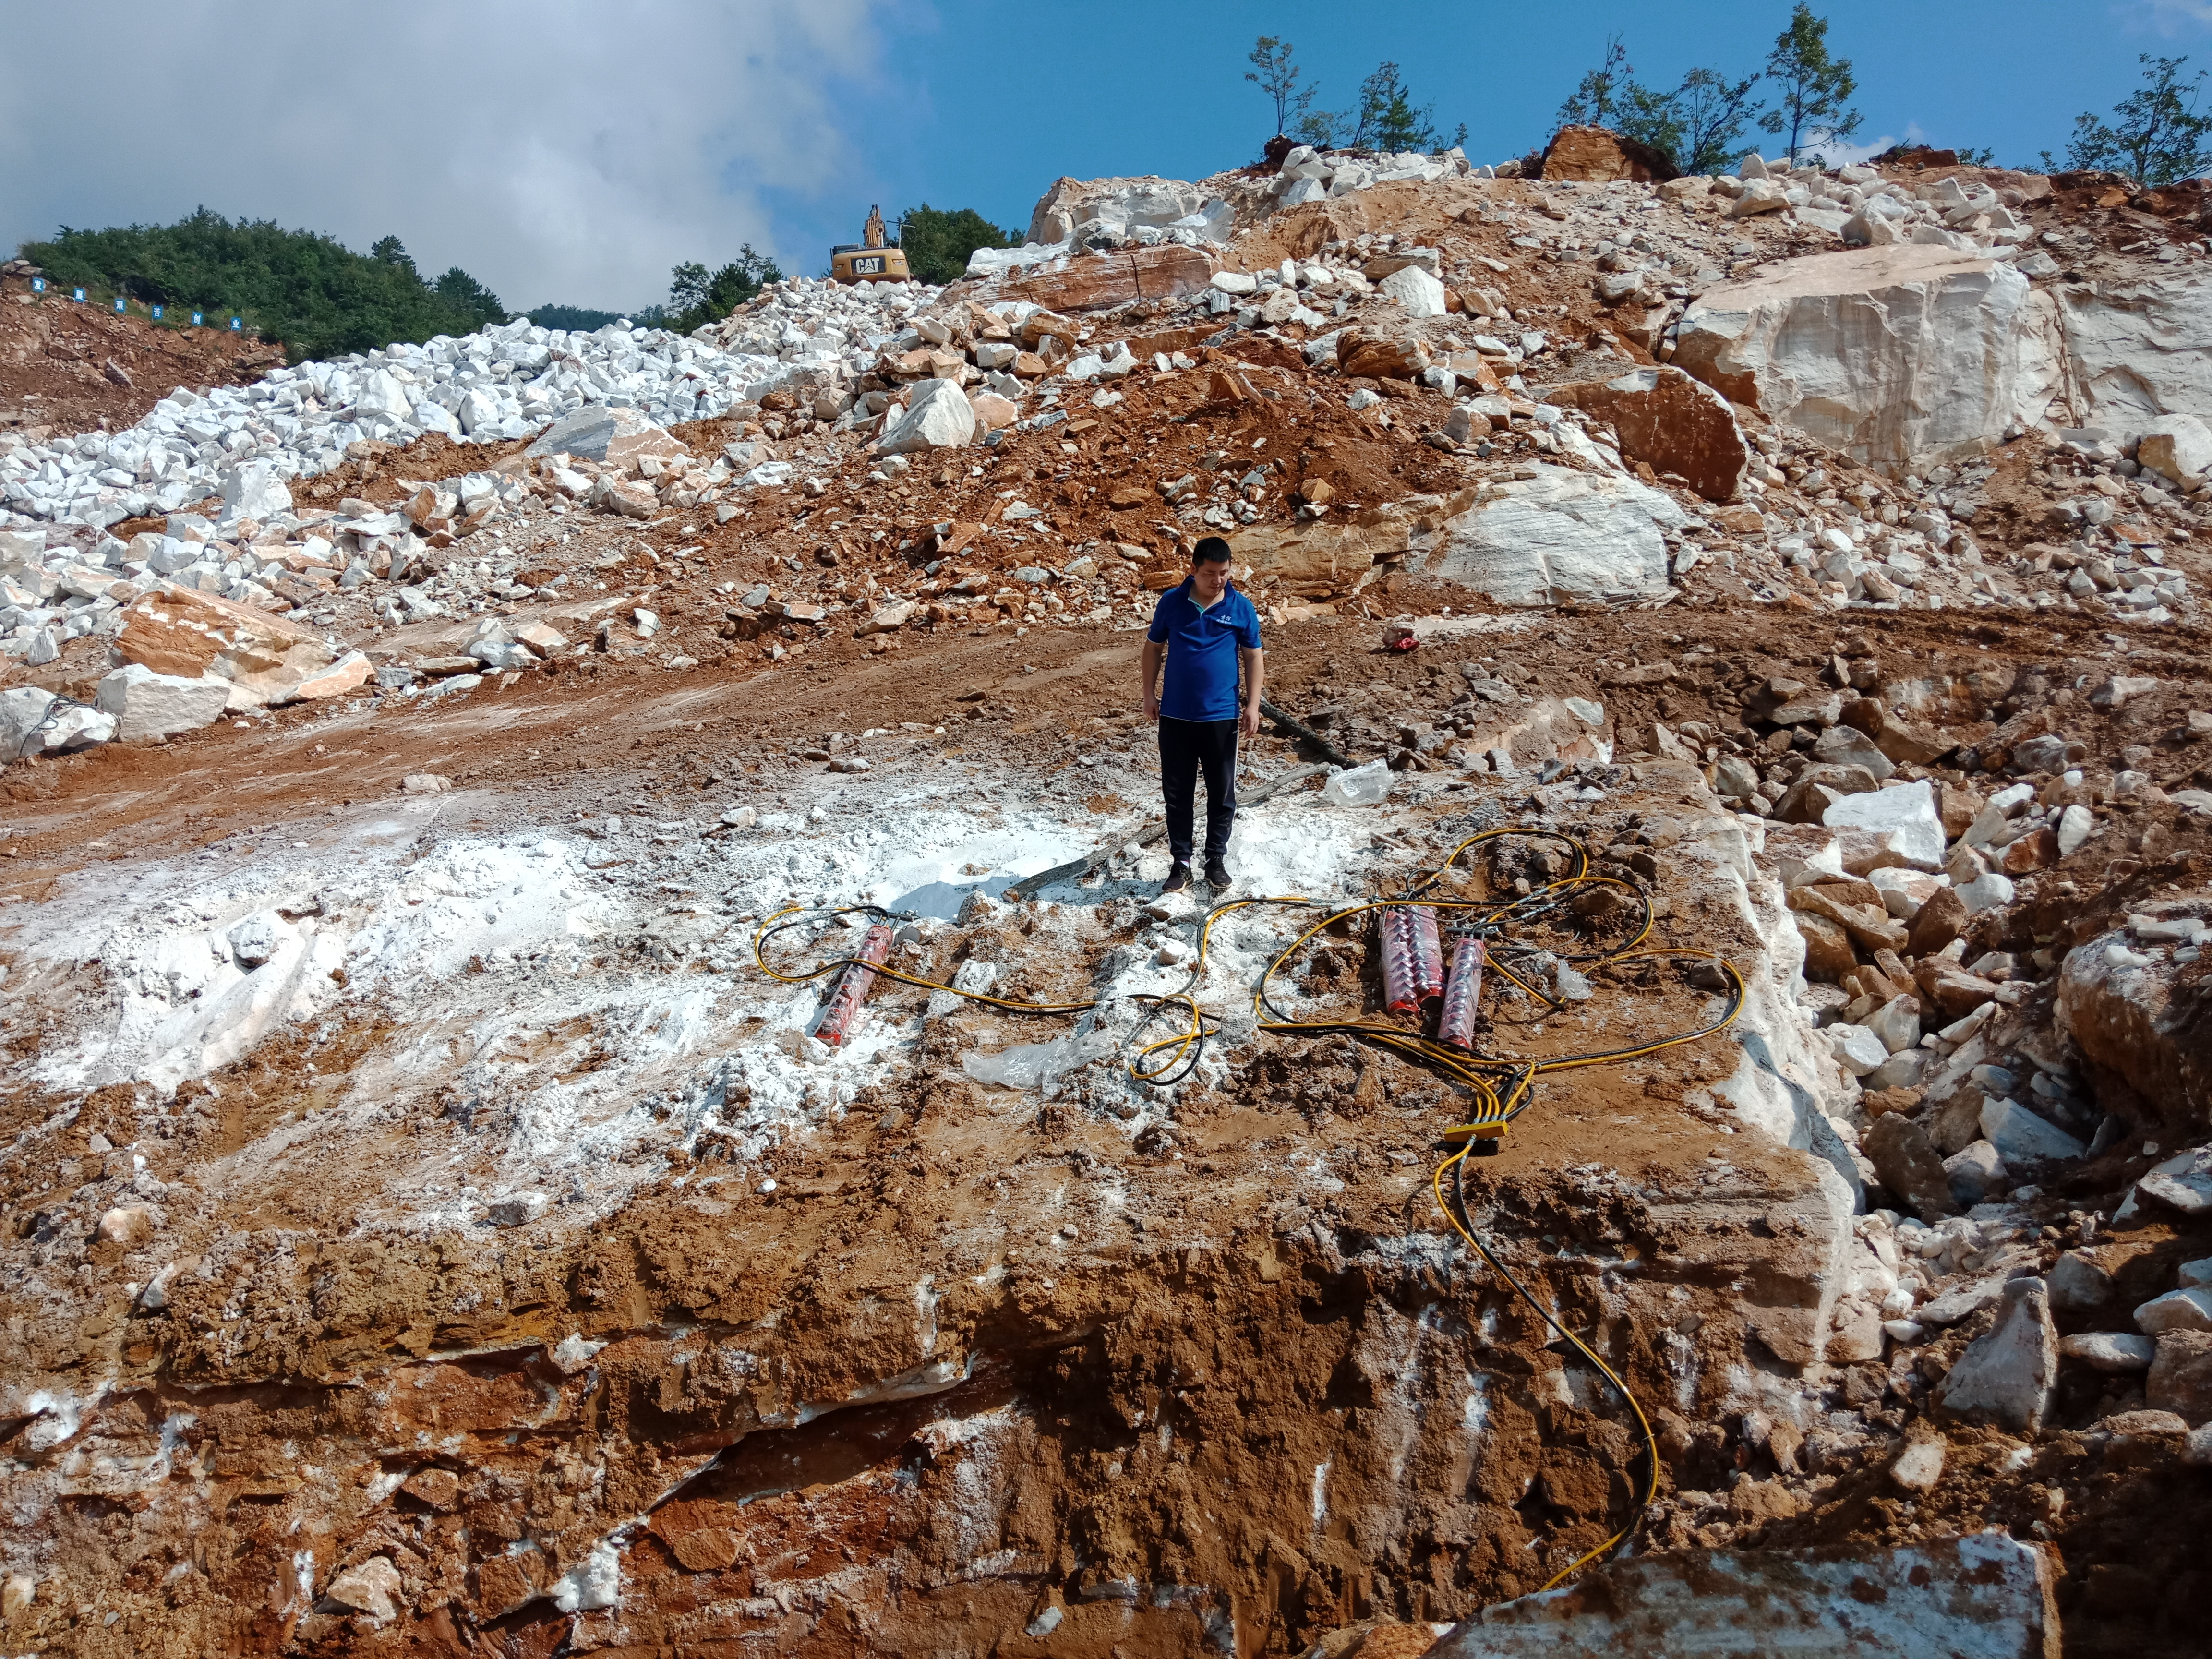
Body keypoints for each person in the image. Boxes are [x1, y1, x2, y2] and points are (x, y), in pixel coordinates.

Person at [1139, 536, 1263, 892]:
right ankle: (1181, 862)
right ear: (1193, 570)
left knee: (1222, 792)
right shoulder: (1172, 603)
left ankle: (1216, 859)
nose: (1218, 581)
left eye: (1224, 573)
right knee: (1178, 793)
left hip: (1222, 717)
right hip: (1176, 716)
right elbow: (1153, 649)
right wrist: (1149, 694)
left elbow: (1253, 657)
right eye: (1210, 573)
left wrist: (1252, 705)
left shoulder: (1241, 607)